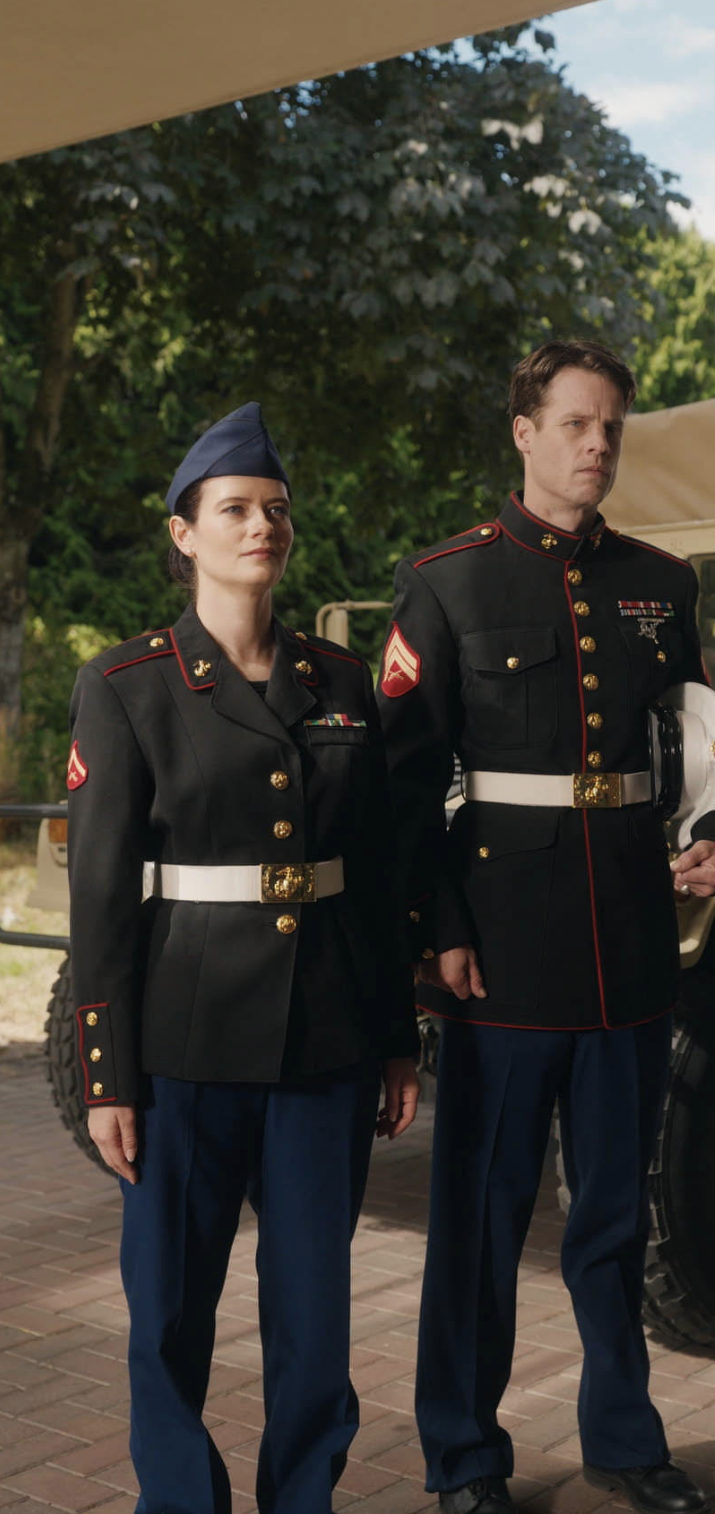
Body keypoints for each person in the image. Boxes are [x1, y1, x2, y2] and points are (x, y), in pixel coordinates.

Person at [376, 340, 715, 1514]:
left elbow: (701, 744)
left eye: (611, 428)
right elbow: (402, 786)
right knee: (480, 1221)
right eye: (576, 424)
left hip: (628, 942)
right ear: (523, 431)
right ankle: (462, 1455)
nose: (597, 445)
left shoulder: (661, 583)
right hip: (499, 952)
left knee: (611, 1215)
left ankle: (624, 1441)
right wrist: (435, 925)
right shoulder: (445, 583)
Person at [67, 402, 420, 1514]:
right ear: (184, 534)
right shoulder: (128, 686)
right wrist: (106, 1075)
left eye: (275, 508)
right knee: (169, 1310)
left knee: (313, 1314)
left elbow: (374, 876)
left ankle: (301, 1496)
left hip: (324, 1042)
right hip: (183, 1045)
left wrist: (396, 1037)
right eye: (234, 509)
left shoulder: (342, 681)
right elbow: (99, 902)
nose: (261, 525)